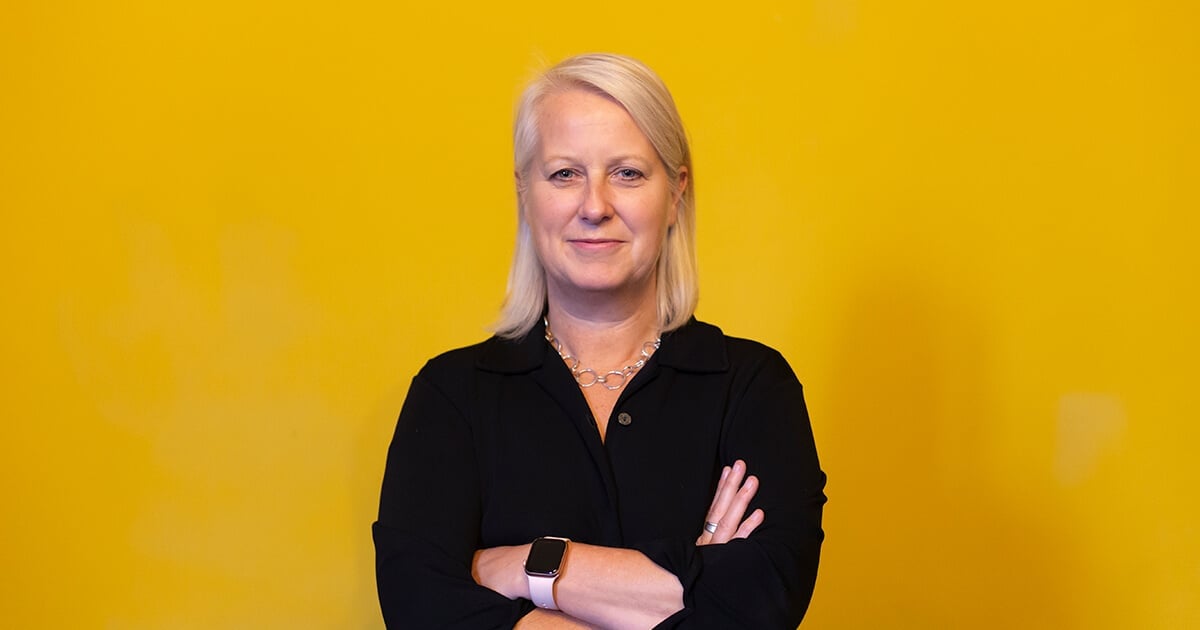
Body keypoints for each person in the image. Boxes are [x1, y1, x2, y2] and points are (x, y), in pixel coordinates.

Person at [374, 53, 826, 628]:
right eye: (565, 173)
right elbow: (420, 607)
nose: (595, 206)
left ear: (676, 191)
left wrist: (529, 569)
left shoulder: (754, 387)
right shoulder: (451, 396)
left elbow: (764, 601)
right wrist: (688, 581)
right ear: (524, 192)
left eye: (628, 173)